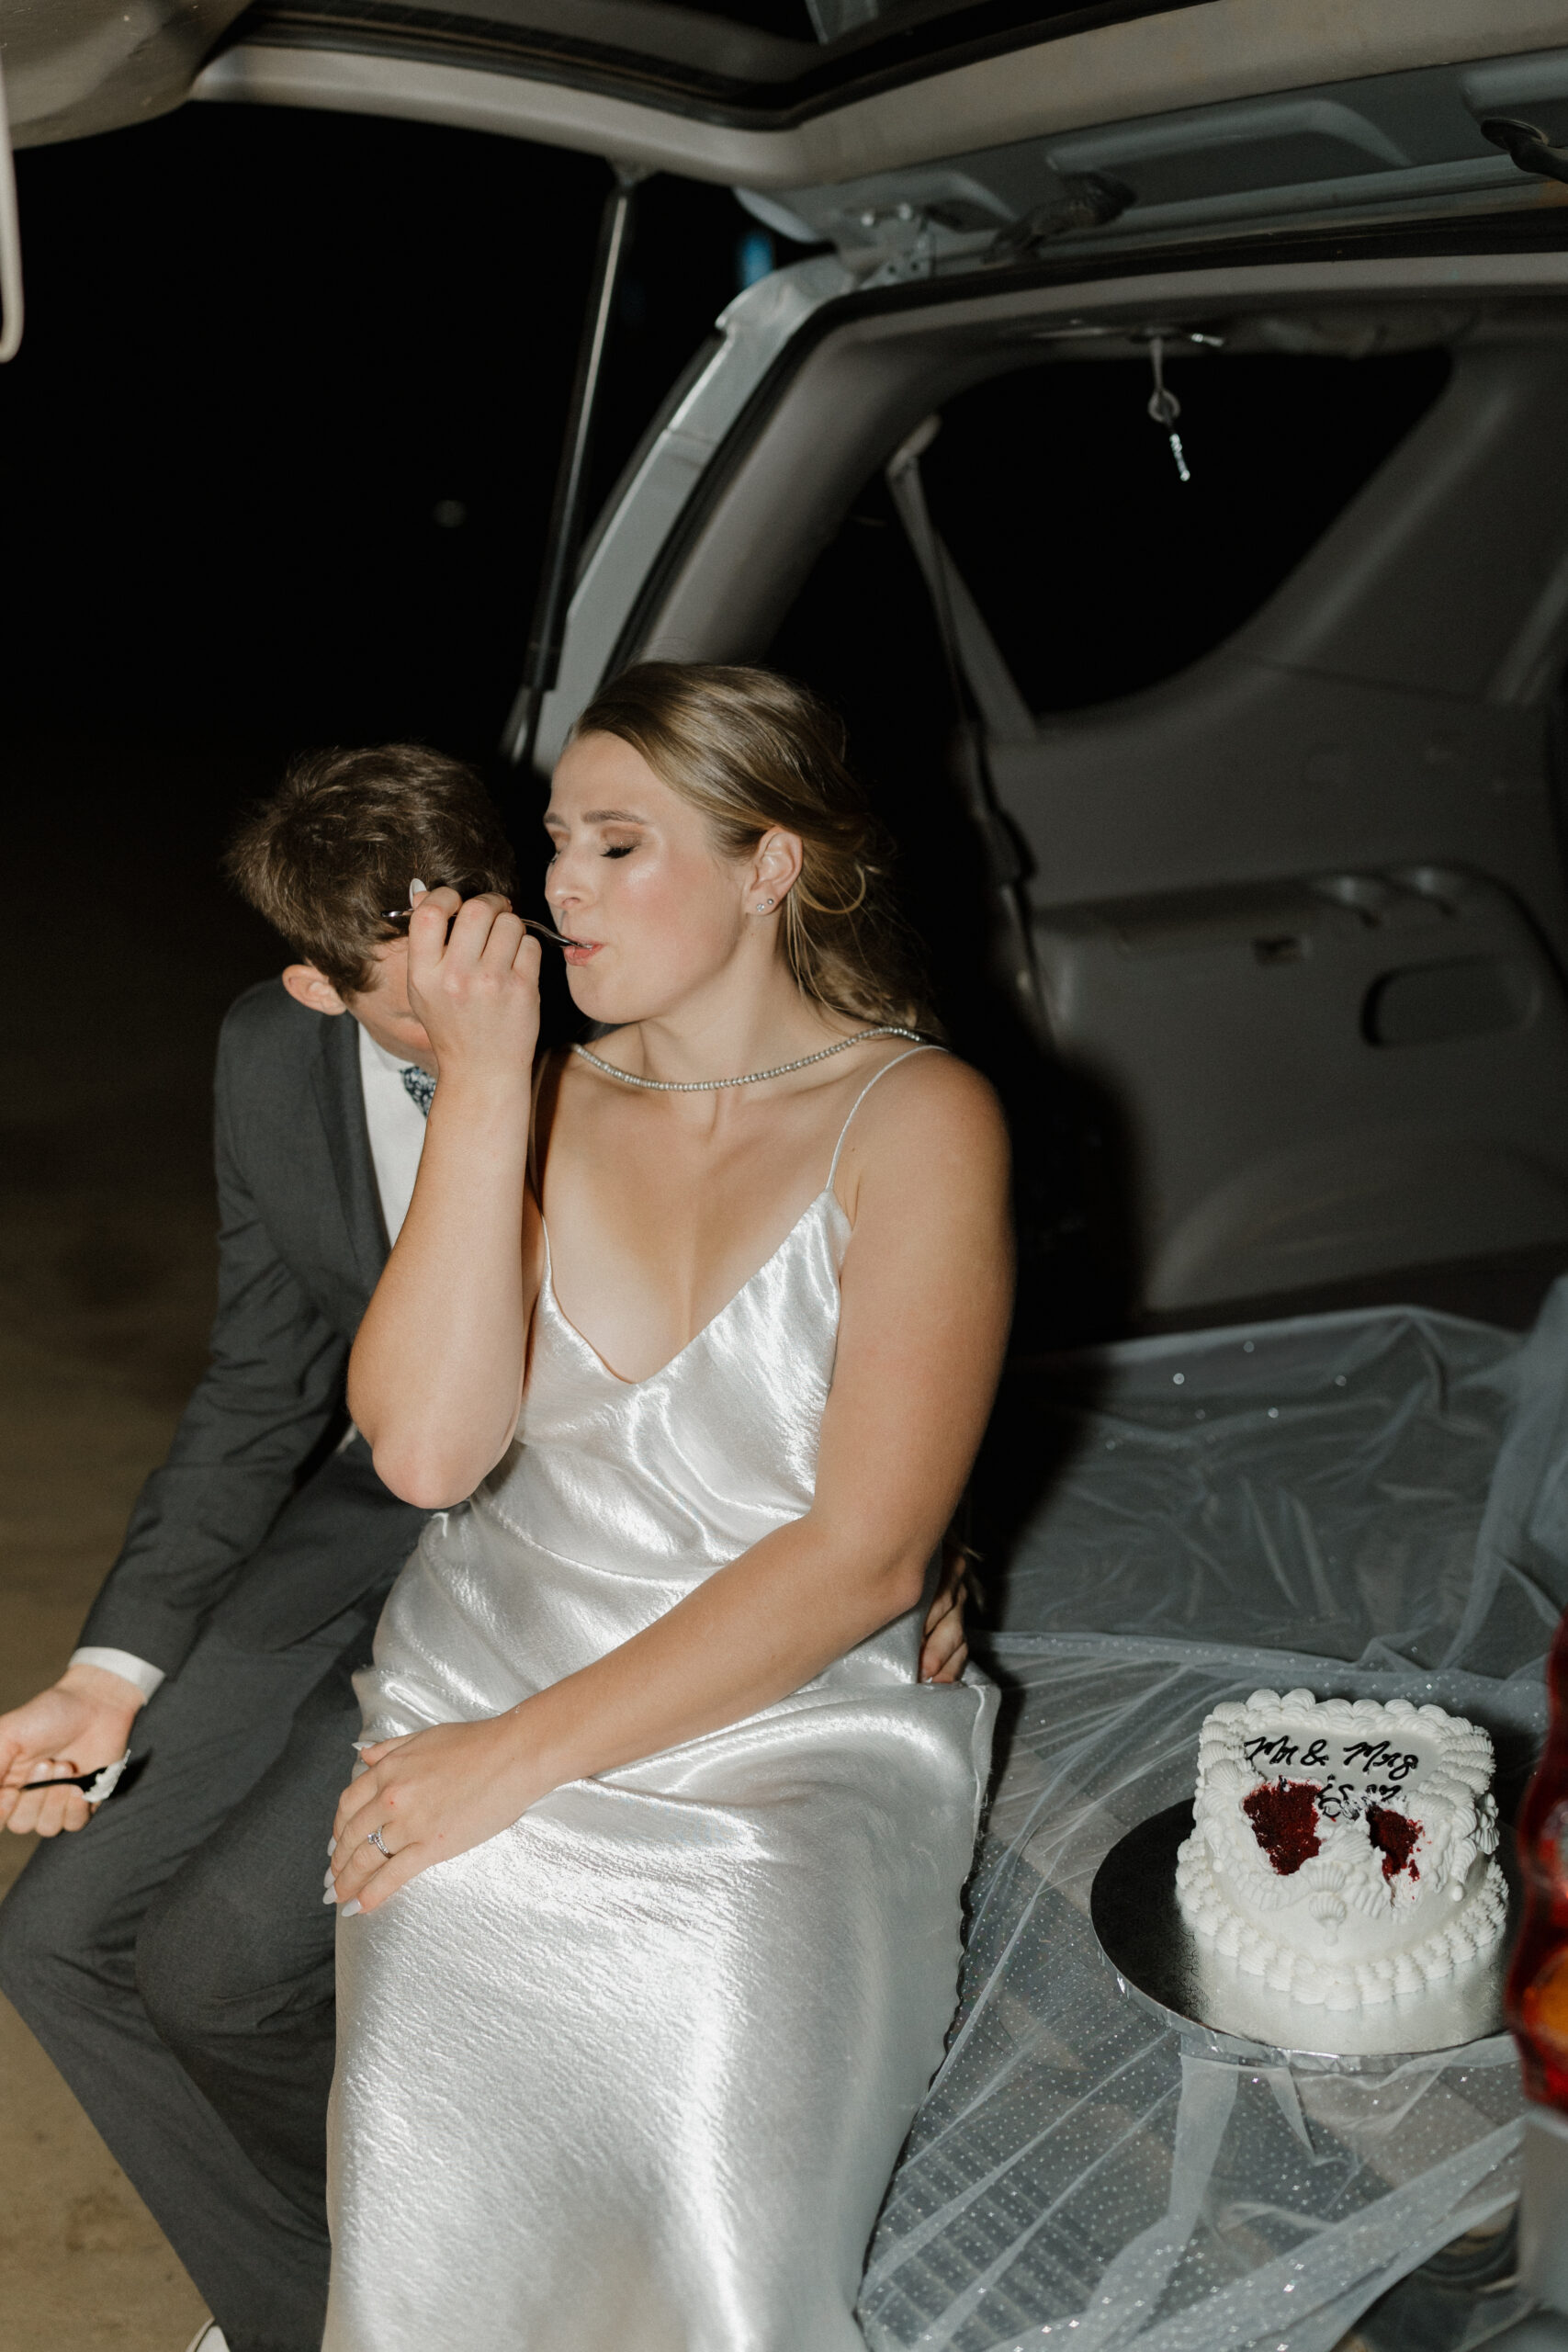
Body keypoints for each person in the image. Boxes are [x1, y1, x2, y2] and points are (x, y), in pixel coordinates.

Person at [0, 740, 969, 2352]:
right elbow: (265, 1388)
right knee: (53, 1945)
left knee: (217, 1969)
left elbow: (841, 1319)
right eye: (414, 997)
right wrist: (115, 1670)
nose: (475, 1002)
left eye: (494, 951)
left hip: (589, 1579)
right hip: (378, 1525)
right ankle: (333, 2305)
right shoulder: (272, 1057)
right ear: (319, 990)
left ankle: (436, 2283)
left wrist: (935, 1541)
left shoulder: (639, 1012)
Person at [321, 662, 1012, 2350]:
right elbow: (422, 1455)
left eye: (618, 844)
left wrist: (519, 1758)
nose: (555, 885)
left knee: (717, 2210)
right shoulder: (545, 1096)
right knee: (436, 2117)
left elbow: (870, 1553)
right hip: (476, 1678)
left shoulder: (914, 1117)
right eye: (556, 840)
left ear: (771, 864)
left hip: (785, 1737)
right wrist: (483, 1092)